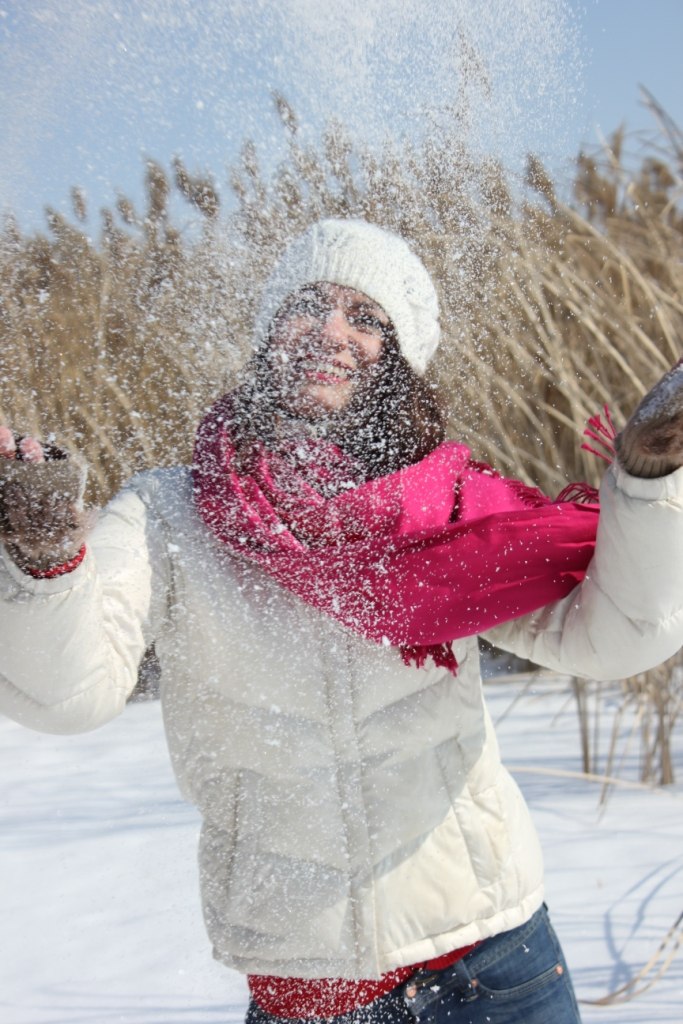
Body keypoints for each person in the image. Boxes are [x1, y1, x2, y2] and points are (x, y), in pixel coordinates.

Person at [1, 218, 682, 1024]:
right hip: (309, 992)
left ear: (400, 358)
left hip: (495, 967)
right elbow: (64, 695)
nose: (331, 331)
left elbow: (615, 637)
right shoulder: (170, 513)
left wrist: (645, 482)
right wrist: (41, 554)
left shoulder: (449, 506)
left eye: (366, 318)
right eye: (309, 304)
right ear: (268, 331)